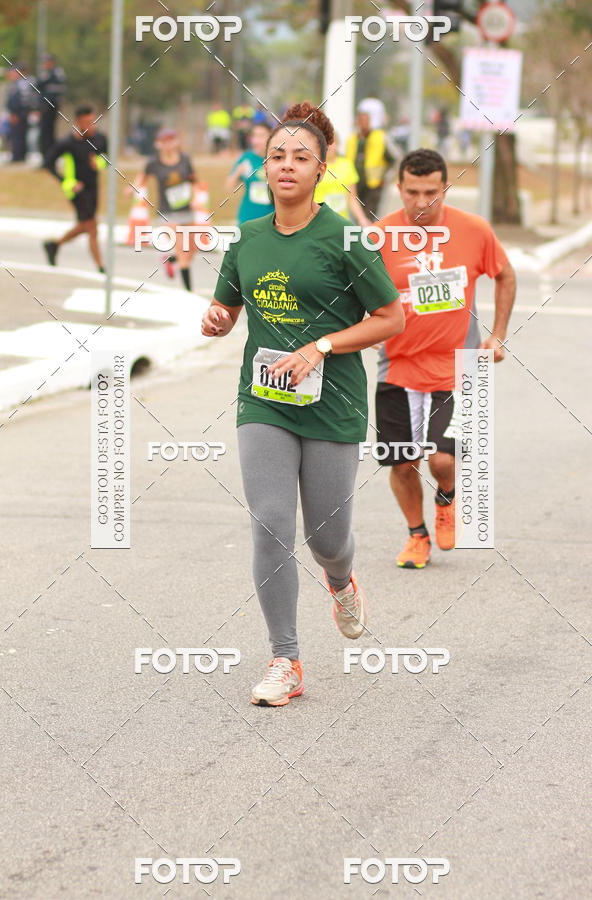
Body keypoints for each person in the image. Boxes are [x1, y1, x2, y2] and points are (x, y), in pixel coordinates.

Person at [200, 101, 404, 707]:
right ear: (264, 167)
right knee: (269, 523)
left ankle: (340, 579)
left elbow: (391, 317)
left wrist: (322, 345)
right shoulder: (250, 238)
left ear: (321, 169)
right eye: (278, 156)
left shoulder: (342, 237)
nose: (287, 166)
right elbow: (228, 309)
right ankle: (285, 659)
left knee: (327, 536)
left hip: (333, 403)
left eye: (301, 157)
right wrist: (215, 318)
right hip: (264, 401)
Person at [373, 149, 516, 568]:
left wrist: (498, 334)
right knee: (401, 462)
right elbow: (356, 297)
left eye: (431, 193)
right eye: (412, 192)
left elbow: (505, 274)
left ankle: (447, 497)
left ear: (445, 188)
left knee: (442, 458)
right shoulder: (380, 237)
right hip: (396, 366)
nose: (421, 202)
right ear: (398, 188)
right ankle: (417, 535)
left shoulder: (473, 230)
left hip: (459, 366)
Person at [42, 104, 108, 271]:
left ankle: (55, 244)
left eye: (93, 121)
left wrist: (99, 163)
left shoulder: (100, 139)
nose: (92, 126)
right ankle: (100, 266)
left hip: (93, 187)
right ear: (78, 122)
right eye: (87, 122)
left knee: (86, 225)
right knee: (92, 226)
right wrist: (66, 182)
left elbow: (107, 159)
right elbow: (48, 165)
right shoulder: (66, 143)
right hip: (75, 190)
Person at [132, 129, 197, 291]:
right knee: (183, 246)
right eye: (164, 142)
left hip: (185, 209)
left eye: (171, 140)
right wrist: (133, 189)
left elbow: (193, 179)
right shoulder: (154, 163)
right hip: (166, 212)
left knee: (192, 249)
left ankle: (171, 260)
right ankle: (189, 289)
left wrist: (195, 197)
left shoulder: (185, 159)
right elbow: (142, 177)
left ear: (176, 142)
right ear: (159, 144)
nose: (168, 145)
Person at [346, 97, 394, 221]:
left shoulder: (381, 138)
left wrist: (385, 178)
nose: (362, 122)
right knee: (357, 217)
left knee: (371, 217)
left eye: (365, 119)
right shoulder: (352, 139)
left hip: (374, 186)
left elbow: (395, 160)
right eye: (360, 118)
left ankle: (370, 239)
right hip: (355, 184)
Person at [313, 132, 369, 226]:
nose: (328, 146)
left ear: (338, 143)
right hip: (318, 223)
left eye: (332, 142)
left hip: (341, 223)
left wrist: (362, 219)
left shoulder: (347, 165)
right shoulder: (313, 166)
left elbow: (352, 198)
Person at [226, 122, 274, 224]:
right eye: (254, 136)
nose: (256, 140)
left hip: (272, 219)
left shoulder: (278, 158)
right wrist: (238, 172)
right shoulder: (247, 158)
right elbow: (229, 186)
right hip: (247, 218)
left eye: (261, 136)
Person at [36, 54, 66, 159]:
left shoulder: (54, 73)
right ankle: (47, 156)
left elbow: (39, 83)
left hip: (49, 106)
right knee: (46, 132)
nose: (44, 65)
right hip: (47, 105)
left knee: (47, 132)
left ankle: (49, 156)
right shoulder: (51, 73)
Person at [5, 64, 36, 163]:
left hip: (18, 114)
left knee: (17, 135)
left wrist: (14, 113)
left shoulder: (20, 84)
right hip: (21, 113)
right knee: (20, 135)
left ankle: (17, 157)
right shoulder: (23, 83)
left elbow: (17, 101)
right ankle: (20, 156)